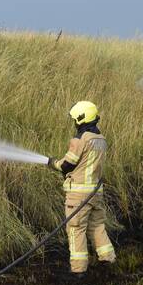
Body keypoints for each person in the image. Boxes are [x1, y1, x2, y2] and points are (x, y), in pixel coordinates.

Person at [47, 101, 115, 274]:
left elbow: (66, 165)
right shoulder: (101, 139)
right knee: (97, 226)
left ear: (80, 118)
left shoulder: (80, 140)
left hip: (78, 195)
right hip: (95, 193)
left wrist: (52, 163)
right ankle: (108, 260)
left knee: (76, 230)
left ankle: (78, 271)